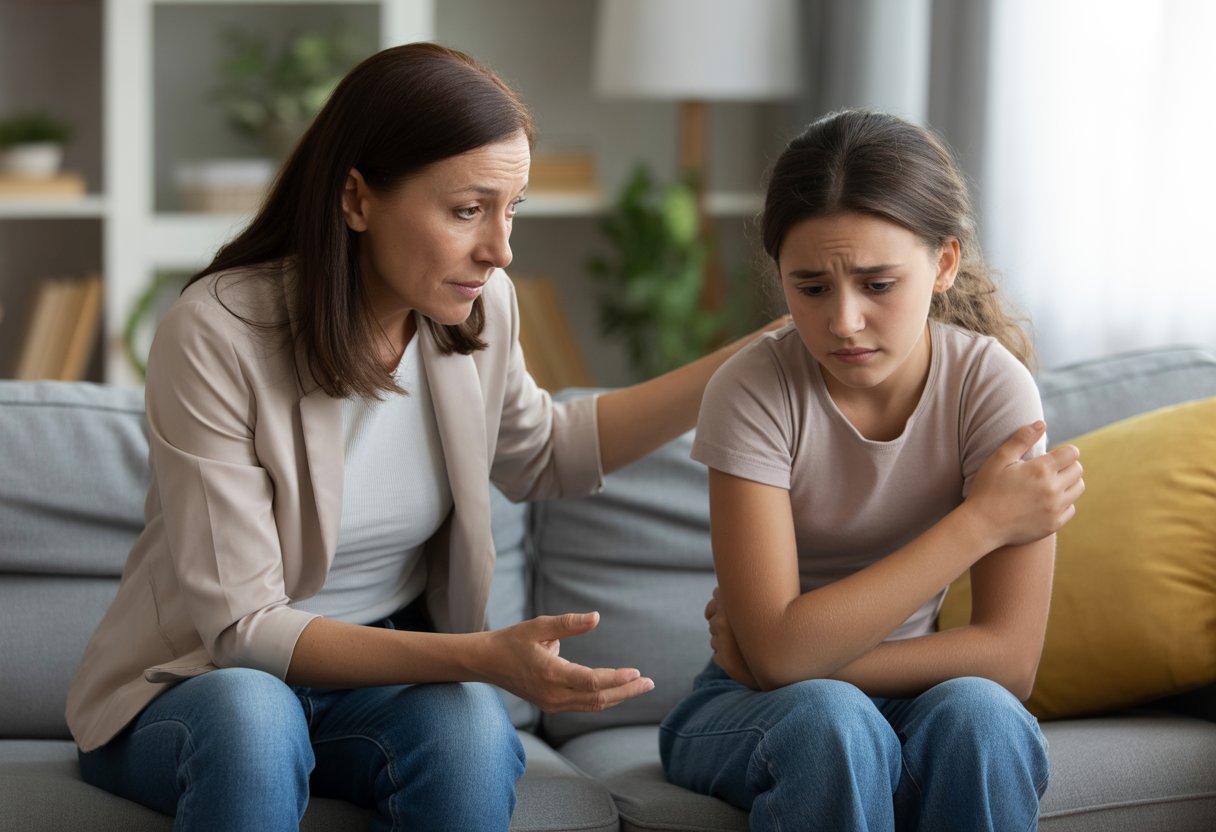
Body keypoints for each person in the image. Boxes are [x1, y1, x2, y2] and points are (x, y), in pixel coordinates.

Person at [65, 43, 779, 831]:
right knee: (253, 719)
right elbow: (244, 630)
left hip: (373, 681)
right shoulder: (217, 333)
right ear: (357, 198)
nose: (499, 250)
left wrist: (757, 355)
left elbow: (548, 453)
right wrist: (477, 657)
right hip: (199, 685)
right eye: (467, 210)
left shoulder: (479, 306)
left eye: (512, 210)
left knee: (469, 732)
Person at [659, 109, 1086, 831]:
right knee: (832, 721)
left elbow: (1010, 662)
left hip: (890, 683)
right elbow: (778, 661)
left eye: (878, 284)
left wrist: (789, 656)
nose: (844, 321)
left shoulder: (991, 388)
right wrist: (980, 521)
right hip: (749, 702)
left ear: (943, 263)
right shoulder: (753, 389)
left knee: (983, 716)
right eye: (811, 288)